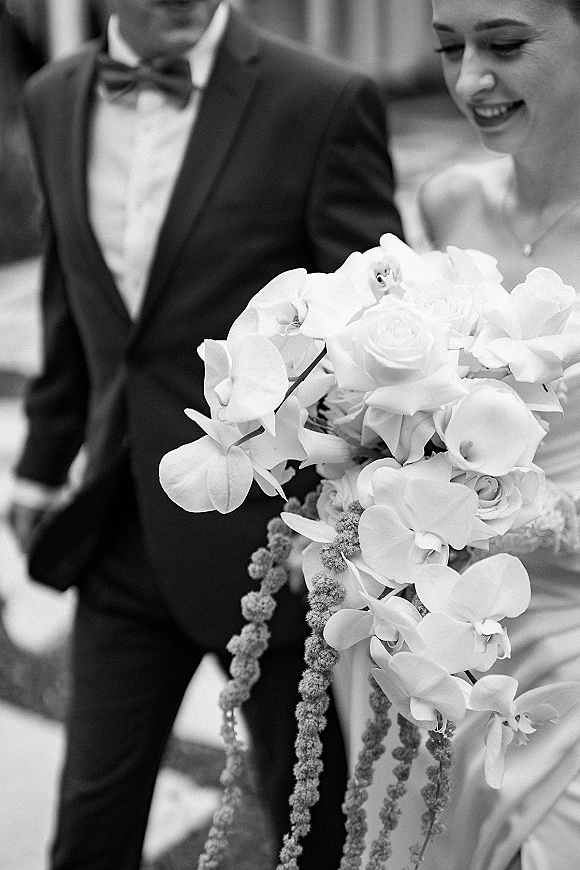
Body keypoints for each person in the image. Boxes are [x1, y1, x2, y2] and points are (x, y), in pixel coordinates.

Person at [6, 2, 404, 868]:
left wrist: (343, 523)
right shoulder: (52, 96)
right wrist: (41, 463)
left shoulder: (323, 101)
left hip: (274, 552)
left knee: (308, 825)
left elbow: (380, 335)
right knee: (89, 828)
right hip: (121, 524)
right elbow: (76, 306)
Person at [357, 2, 580, 869]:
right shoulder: (449, 199)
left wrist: (519, 523)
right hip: (433, 637)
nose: (469, 81)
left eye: (506, 44)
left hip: (567, 629)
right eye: (451, 49)